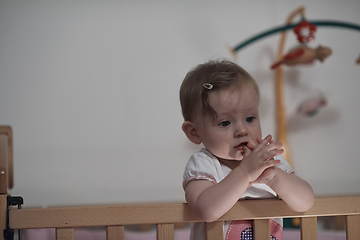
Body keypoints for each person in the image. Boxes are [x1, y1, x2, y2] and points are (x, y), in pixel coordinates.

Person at [179, 59, 314, 240]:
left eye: (250, 118)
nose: (242, 130)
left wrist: (274, 177)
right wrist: (245, 174)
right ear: (194, 132)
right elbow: (206, 210)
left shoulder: (269, 161)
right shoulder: (204, 164)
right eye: (225, 122)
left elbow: (306, 201)